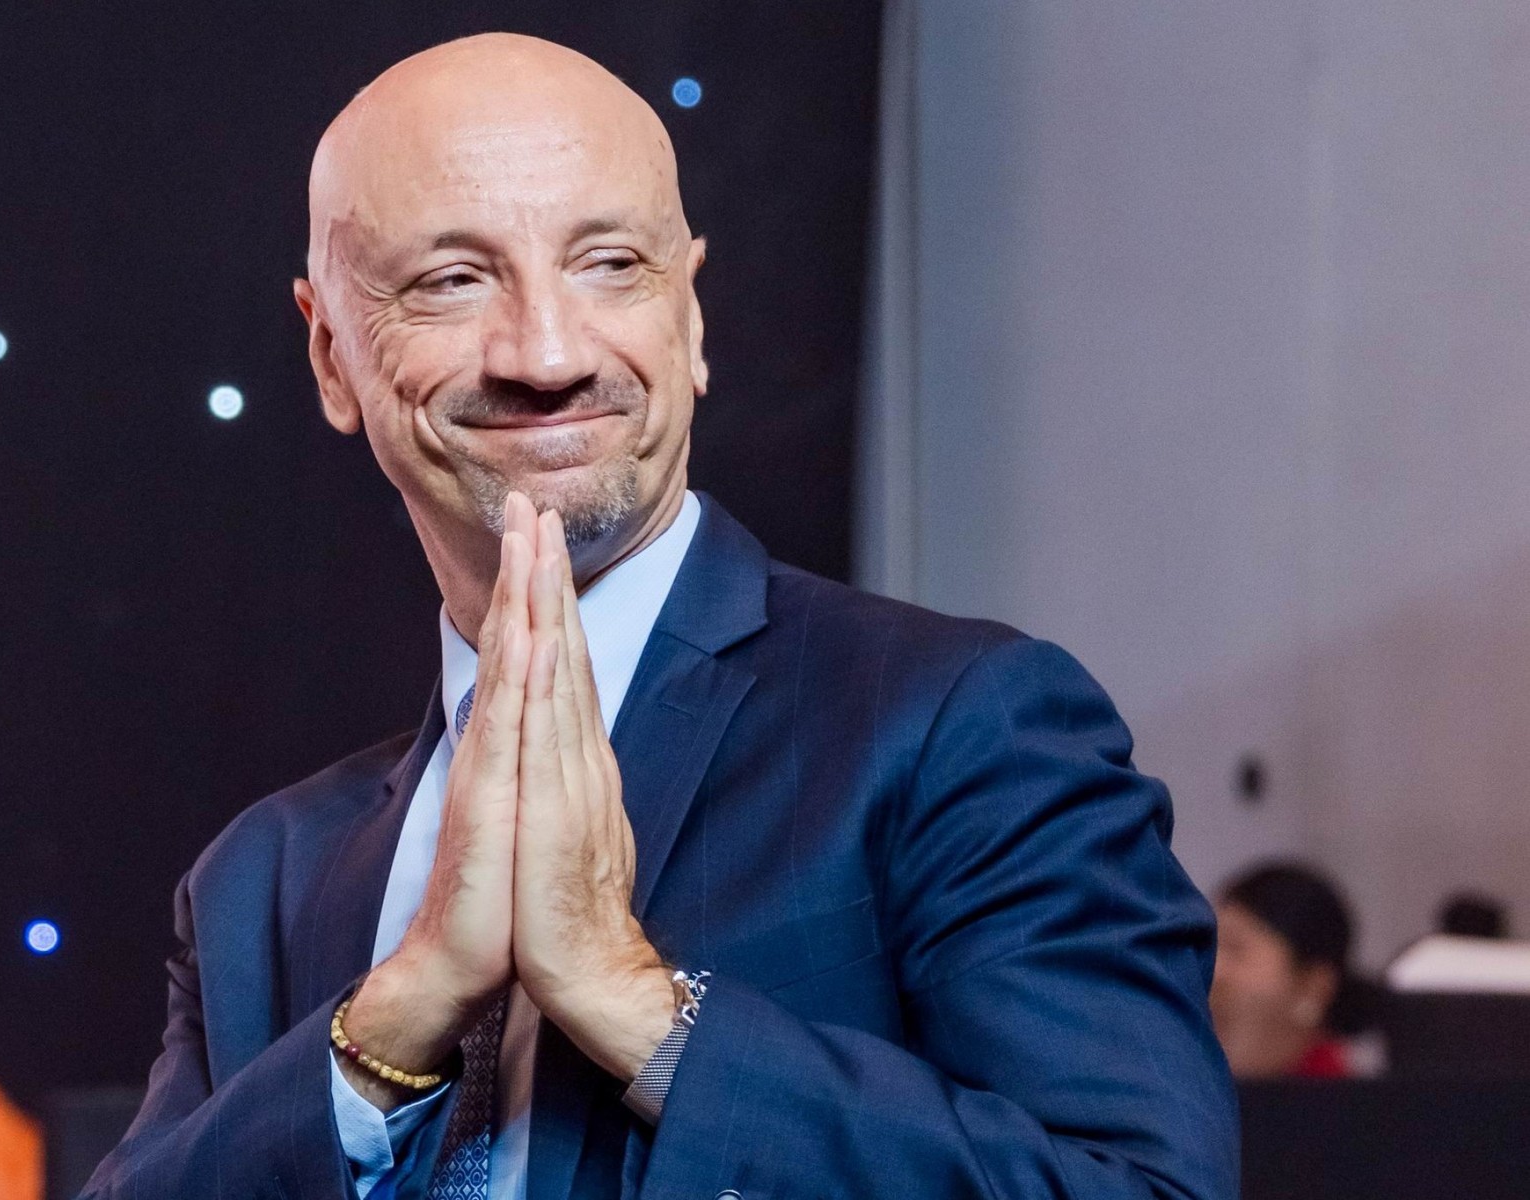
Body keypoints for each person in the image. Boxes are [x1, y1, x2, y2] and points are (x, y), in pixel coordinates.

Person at [83, 32, 1237, 1200]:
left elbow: (1140, 1189)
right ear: (332, 356)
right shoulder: (261, 881)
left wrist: (634, 1004)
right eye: (453, 280)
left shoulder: (959, 729)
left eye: (609, 265)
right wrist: (394, 1022)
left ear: (689, 321)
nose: (546, 354)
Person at [1209, 862, 1368, 1079]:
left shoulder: (1355, 1097)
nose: (1211, 972)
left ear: (1312, 987)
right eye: (1207, 950)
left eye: (1235, 949)